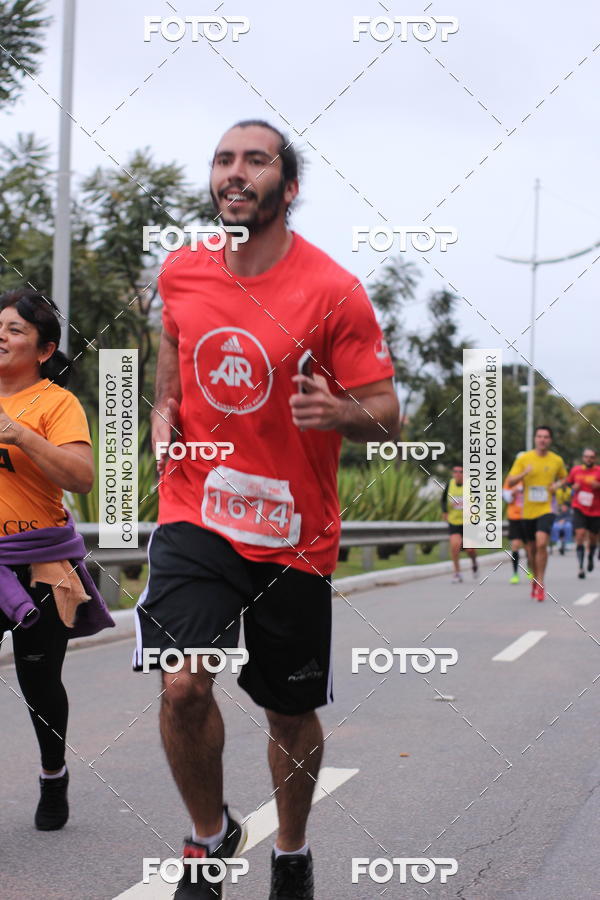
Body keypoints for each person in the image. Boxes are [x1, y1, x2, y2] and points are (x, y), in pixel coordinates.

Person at [136, 120, 400, 899]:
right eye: (224, 159)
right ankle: (208, 837)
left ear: (289, 187)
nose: (234, 171)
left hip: (292, 532)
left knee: (289, 713)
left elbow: (387, 412)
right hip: (197, 507)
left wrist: (342, 413)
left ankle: (291, 849)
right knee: (183, 685)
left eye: (255, 160)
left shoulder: (332, 290)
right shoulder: (183, 272)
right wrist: (164, 407)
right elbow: (172, 344)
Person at [0, 288, 113, 830]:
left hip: (40, 562)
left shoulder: (56, 403)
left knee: (39, 681)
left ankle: (53, 774)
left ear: (44, 350)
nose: (1, 336)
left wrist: (21, 434)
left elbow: (82, 478)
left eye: (14, 330)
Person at [506, 425, 567, 602]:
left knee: (541, 543)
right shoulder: (524, 459)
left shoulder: (556, 460)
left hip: (547, 509)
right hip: (528, 512)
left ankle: (540, 582)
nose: (542, 440)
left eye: (546, 437)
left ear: (550, 440)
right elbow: (510, 481)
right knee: (531, 550)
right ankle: (534, 578)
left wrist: (557, 485)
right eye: (539, 436)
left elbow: (565, 478)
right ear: (535, 439)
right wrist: (523, 474)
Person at [441, 464, 478, 583]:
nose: (458, 474)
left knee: (470, 550)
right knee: (455, 546)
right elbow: (443, 500)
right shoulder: (450, 484)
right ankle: (457, 573)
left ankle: (474, 562)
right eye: (455, 471)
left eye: (460, 472)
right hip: (454, 521)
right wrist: (445, 511)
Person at [566, 448, 600, 578]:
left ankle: (590, 557)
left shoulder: (598, 471)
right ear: (583, 458)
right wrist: (572, 488)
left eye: (591, 457)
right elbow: (568, 484)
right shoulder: (576, 470)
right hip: (579, 507)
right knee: (579, 534)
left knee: (593, 538)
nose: (588, 459)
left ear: (595, 459)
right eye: (586, 456)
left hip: (596, 510)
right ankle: (580, 567)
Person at [502, 472, 530, 584]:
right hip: (514, 517)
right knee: (515, 545)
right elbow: (506, 498)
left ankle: (530, 569)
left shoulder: (530, 478)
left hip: (528, 516)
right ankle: (515, 573)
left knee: (528, 546)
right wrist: (512, 493)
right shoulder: (510, 479)